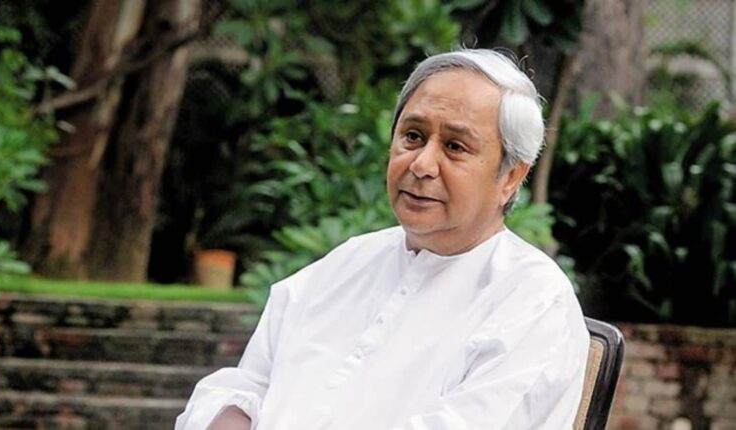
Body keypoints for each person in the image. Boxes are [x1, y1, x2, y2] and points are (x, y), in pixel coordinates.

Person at [175, 48, 589, 430]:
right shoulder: (349, 262)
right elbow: (246, 381)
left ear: (511, 176)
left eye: (455, 146)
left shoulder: (534, 301)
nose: (422, 164)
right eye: (413, 136)